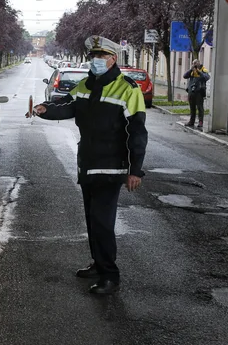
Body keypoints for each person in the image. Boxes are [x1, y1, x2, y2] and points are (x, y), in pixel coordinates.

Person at [31, 35, 148, 295]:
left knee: (103, 223)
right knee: (92, 220)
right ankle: (98, 263)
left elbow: (137, 132)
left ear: (113, 59)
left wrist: (134, 170)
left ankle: (110, 275)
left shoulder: (127, 89)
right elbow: (68, 105)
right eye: (93, 57)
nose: (95, 61)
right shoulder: (86, 84)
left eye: (101, 57)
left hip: (111, 167)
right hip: (88, 164)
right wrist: (44, 109)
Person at [183, 59, 210, 128]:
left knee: (200, 107)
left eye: (195, 63)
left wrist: (199, 72)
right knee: (192, 107)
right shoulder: (192, 71)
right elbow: (185, 76)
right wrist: (191, 70)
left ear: (199, 63)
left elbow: (206, 77)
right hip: (191, 92)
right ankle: (191, 121)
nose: (194, 64)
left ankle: (200, 122)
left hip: (199, 92)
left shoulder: (204, 70)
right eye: (193, 63)